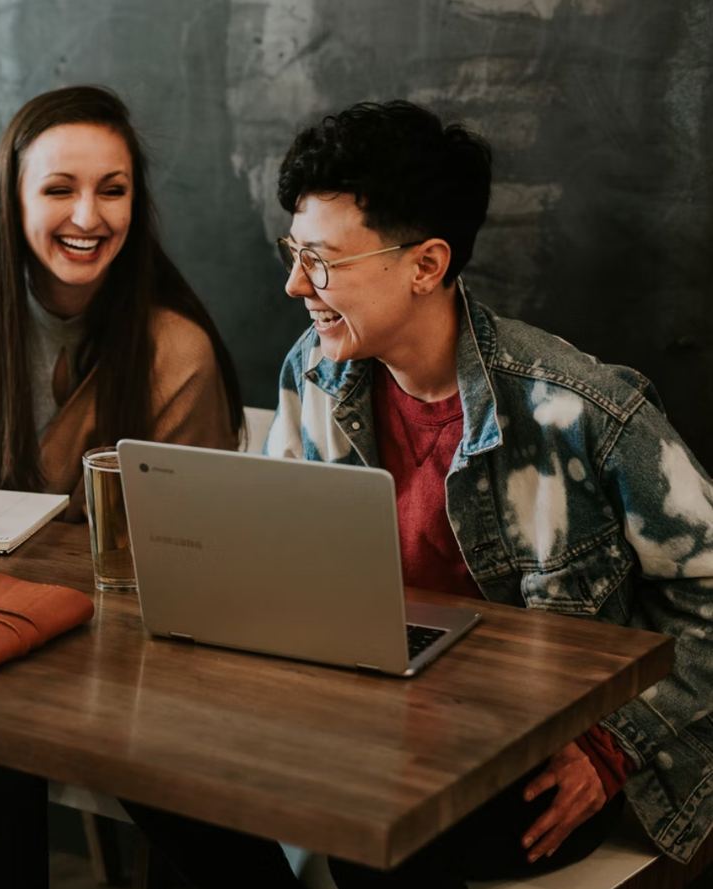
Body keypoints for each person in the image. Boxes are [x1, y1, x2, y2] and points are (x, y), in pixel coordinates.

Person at [257, 100, 713, 886]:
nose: (297, 284)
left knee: (387, 825)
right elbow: (281, 558)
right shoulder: (313, 370)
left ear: (425, 266)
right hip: (377, 720)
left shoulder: (580, 410)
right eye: (292, 253)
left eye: (323, 260)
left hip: (536, 751)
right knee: (170, 783)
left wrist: (614, 744)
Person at [0, 85, 245, 887]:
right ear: (13, 200)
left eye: (112, 190)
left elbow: (188, 563)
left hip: (115, 661)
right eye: (58, 189)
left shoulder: (174, 352)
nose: (88, 216)